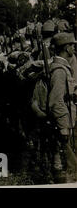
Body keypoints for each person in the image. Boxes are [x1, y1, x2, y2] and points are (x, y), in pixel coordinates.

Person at [47, 32, 77, 183]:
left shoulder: (63, 67)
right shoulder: (59, 70)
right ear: (66, 47)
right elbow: (56, 101)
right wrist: (64, 125)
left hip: (68, 118)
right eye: (72, 45)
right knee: (64, 159)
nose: (74, 47)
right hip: (63, 121)